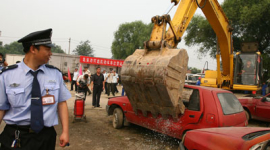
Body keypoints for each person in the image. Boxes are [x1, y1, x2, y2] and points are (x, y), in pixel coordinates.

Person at [0, 29, 71, 149]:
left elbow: (61, 103)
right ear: (33, 49)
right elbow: (1, 108)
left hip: (45, 137)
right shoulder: (7, 76)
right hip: (16, 137)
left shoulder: (55, 74)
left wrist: (65, 131)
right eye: (47, 49)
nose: (51, 53)